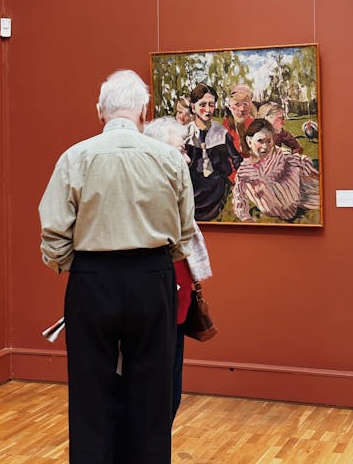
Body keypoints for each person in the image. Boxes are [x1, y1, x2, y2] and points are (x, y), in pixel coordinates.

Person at [39, 70, 195, 464]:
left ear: (99, 112)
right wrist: (155, 261)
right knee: (153, 395)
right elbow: (184, 234)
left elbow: (54, 234)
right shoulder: (169, 160)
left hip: (92, 281)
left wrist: (84, 266)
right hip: (152, 278)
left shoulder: (75, 157)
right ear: (144, 111)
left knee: (90, 394)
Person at [144, 117, 213, 419]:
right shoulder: (149, 197)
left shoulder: (175, 193)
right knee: (156, 397)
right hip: (157, 304)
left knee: (169, 395)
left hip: (177, 307)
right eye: (180, 149)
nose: (186, 157)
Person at [232, 118, 319, 222]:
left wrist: (309, 171)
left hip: (294, 198)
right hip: (272, 206)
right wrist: (245, 218)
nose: (265, 146)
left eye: (269, 141)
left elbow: (301, 161)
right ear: (249, 141)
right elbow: (239, 197)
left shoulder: (278, 153)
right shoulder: (244, 170)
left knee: (295, 168)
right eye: (260, 141)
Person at [185, 83, 242, 221]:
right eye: (202, 105)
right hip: (193, 186)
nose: (208, 109)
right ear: (193, 107)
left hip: (217, 184)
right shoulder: (185, 134)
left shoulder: (221, 133)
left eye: (211, 104)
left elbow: (237, 160)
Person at [223, 83, 256, 157]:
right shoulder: (224, 128)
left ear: (250, 105)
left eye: (245, 104)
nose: (242, 109)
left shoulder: (255, 126)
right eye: (237, 104)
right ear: (230, 106)